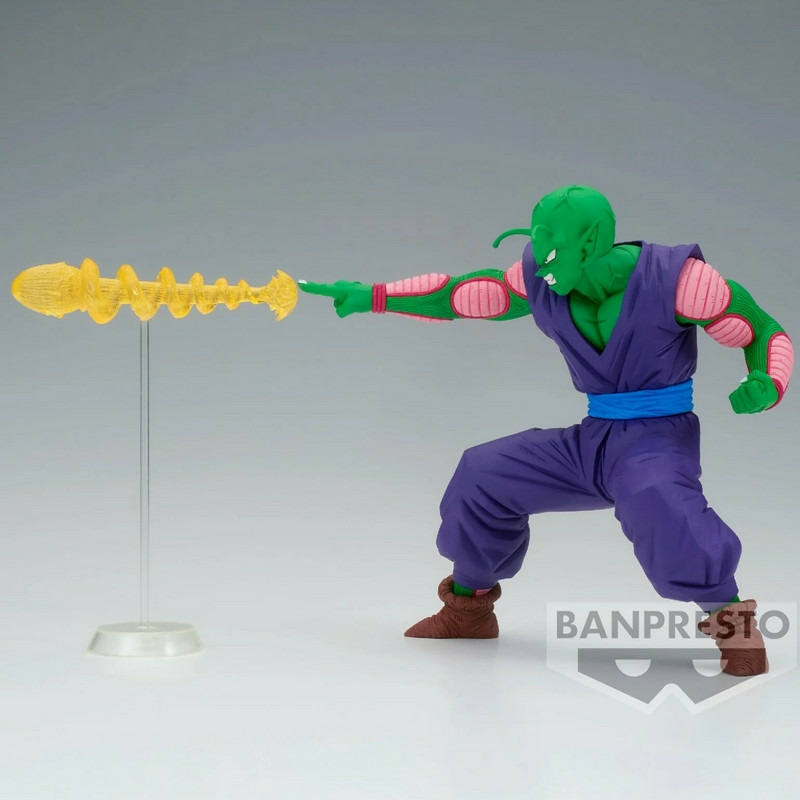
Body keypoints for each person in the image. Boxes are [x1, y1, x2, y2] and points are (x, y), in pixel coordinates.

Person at [299, 185, 793, 676]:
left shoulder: (680, 281)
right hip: (594, 439)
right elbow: (460, 295)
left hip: (657, 439)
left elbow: (760, 329)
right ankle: (468, 611)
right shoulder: (540, 275)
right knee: (483, 472)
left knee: (657, 498)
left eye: (550, 243)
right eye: (535, 240)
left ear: (591, 241)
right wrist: (372, 296)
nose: (540, 258)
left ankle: (735, 628)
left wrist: (767, 383)